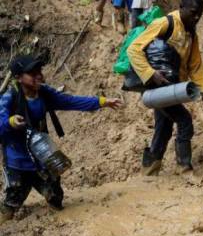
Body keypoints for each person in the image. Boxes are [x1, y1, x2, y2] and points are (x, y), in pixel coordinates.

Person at [0, 55, 122, 223]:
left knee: (55, 197)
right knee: (11, 205)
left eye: (39, 71)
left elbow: (69, 101)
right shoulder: (9, 98)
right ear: (18, 77)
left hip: (42, 155)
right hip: (17, 161)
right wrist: (10, 122)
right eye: (32, 73)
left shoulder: (44, 93)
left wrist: (101, 102)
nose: (39, 76)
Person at [127, 0, 203, 175]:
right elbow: (134, 49)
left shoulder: (192, 34)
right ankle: (185, 169)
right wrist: (150, 74)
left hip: (172, 88)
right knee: (184, 120)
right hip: (158, 87)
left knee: (164, 127)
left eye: (199, 14)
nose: (196, 17)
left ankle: (149, 170)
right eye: (193, 13)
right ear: (181, 7)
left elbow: (195, 65)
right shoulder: (164, 24)